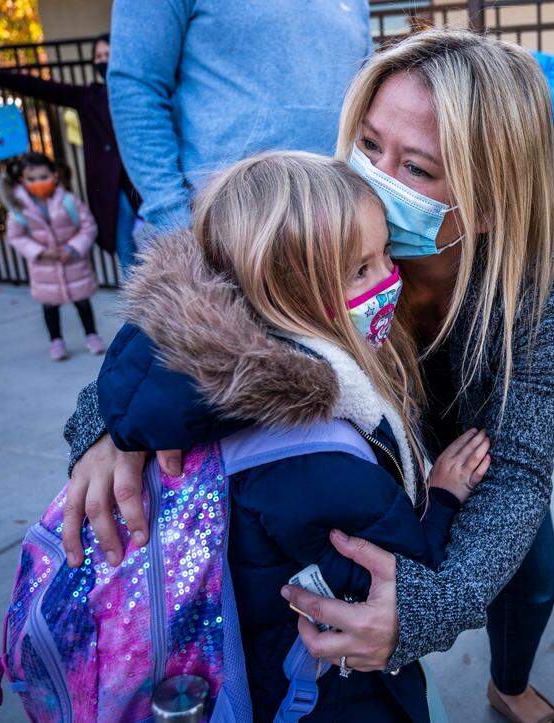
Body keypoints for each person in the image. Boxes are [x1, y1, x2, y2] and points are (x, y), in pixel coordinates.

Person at [60, 29, 554, 723]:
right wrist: (107, 424)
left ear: (489, 202)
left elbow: (518, 471)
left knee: (530, 569)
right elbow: (189, 297)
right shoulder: (319, 207)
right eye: (369, 144)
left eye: (419, 168)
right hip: (356, 447)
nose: (372, 175)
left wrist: (425, 610)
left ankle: (510, 684)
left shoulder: (548, 293)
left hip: (474, 454)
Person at [99, 151, 492, 720]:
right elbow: (400, 576)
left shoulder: (203, 395)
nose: (390, 280)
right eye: (360, 269)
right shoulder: (320, 465)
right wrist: (446, 493)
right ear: (286, 291)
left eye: (386, 253)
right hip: (328, 692)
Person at [104, 0, 370, 242]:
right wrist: (175, 222)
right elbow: (136, 87)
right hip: (231, 239)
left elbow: (364, 95)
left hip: (340, 229)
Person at [0, 33, 142, 272]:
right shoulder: (88, 97)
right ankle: (144, 309)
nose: (103, 61)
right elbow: (36, 86)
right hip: (114, 192)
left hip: (143, 183)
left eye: (108, 55)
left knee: (168, 249)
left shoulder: (140, 93)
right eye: (98, 56)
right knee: (130, 261)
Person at [0, 152, 103, 361]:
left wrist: (73, 248)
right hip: (44, 268)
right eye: (32, 179)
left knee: (83, 302)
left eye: (43, 176)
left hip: (73, 264)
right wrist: (40, 252)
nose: (38, 182)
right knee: (49, 307)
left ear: (55, 175)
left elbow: (88, 226)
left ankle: (92, 336)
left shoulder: (69, 201)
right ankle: (56, 341)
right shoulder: (19, 209)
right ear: (22, 181)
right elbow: (16, 237)